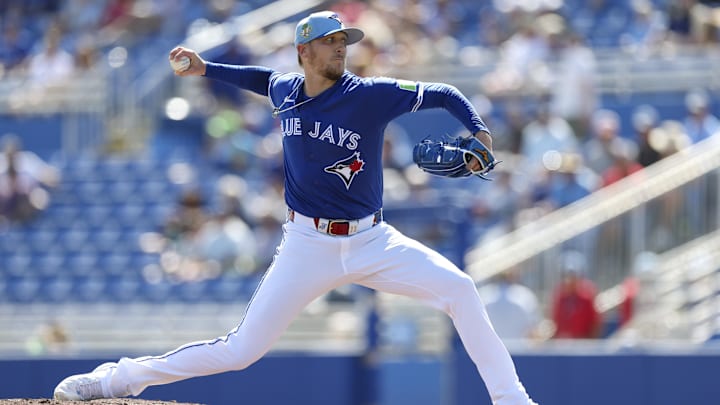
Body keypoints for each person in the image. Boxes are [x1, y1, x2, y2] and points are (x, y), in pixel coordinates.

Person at [53, 11, 538, 405]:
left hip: (372, 239)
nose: (341, 47)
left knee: (460, 288)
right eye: (330, 41)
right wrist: (206, 69)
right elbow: (260, 79)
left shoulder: (368, 95)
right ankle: (116, 380)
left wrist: (478, 131)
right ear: (304, 51)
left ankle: (512, 399)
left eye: (344, 40)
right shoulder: (287, 89)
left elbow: (444, 93)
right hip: (307, 243)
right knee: (241, 350)